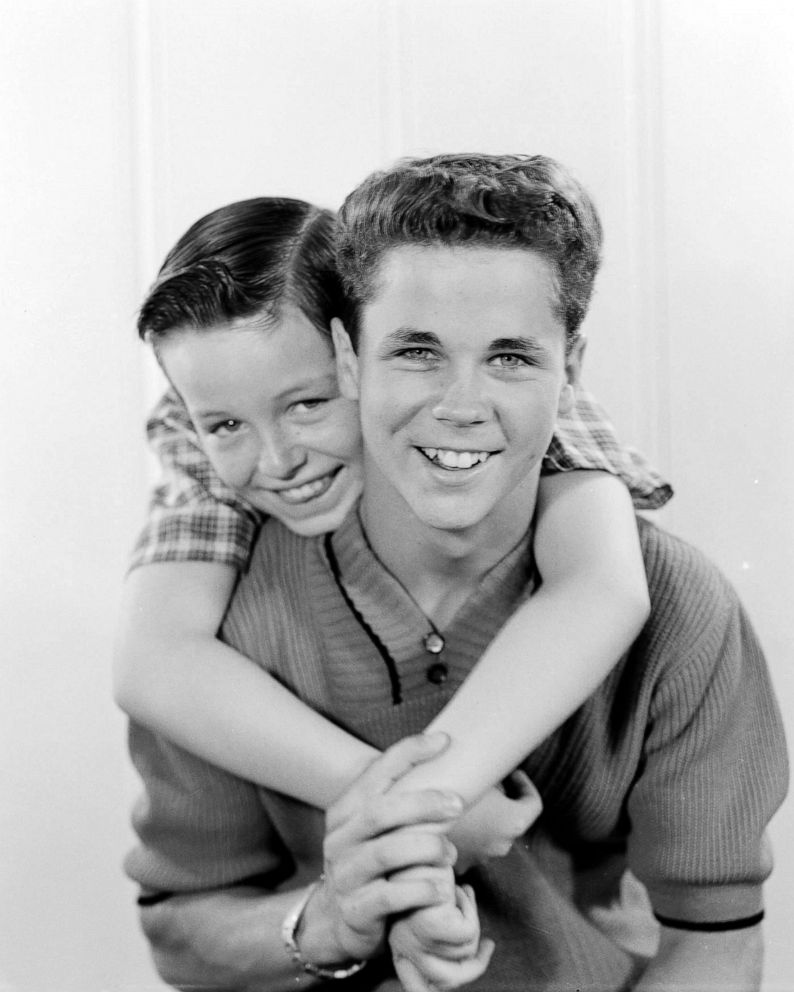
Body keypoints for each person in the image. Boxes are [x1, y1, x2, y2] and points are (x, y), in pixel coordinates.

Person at [125, 155, 787, 991]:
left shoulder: (656, 581)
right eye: (415, 353)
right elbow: (154, 669)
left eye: (511, 358)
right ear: (352, 357)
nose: (462, 403)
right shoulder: (227, 594)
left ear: (569, 368)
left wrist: (410, 813)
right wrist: (337, 912)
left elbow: (716, 936)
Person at [114, 196, 670, 850]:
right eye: (228, 424)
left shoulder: (503, 393)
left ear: (367, 356)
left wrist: (428, 795)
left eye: (310, 404)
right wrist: (409, 799)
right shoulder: (197, 419)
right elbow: (153, 660)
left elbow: (600, 587)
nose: (279, 461)